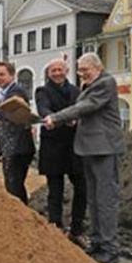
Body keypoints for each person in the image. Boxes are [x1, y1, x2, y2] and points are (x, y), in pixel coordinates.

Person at [43, 53, 125, 263]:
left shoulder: (106, 82)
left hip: (104, 149)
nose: (82, 74)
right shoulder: (89, 85)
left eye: (85, 70)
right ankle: (97, 243)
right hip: (89, 149)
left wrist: (57, 117)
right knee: (94, 199)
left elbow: (86, 107)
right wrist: (73, 121)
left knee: (105, 200)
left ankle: (109, 248)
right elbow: (87, 112)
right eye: (79, 70)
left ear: (98, 67)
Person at [35, 58, 87, 246]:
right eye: (53, 70)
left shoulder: (76, 91)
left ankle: (76, 229)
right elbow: (43, 109)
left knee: (82, 187)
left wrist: (76, 119)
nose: (57, 73)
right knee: (55, 190)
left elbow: (82, 109)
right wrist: (57, 119)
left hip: (74, 145)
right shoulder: (42, 91)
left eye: (60, 70)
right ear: (49, 73)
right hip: (53, 146)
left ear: (66, 71)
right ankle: (55, 227)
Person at [0, 61, 36, 204]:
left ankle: (21, 214)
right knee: (12, 185)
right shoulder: (6, 94)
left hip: (17, 147)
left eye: (2, 74)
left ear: (12, 75)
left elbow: (5, 111)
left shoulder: (16, 92)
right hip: (10, 147)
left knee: (14, 186)